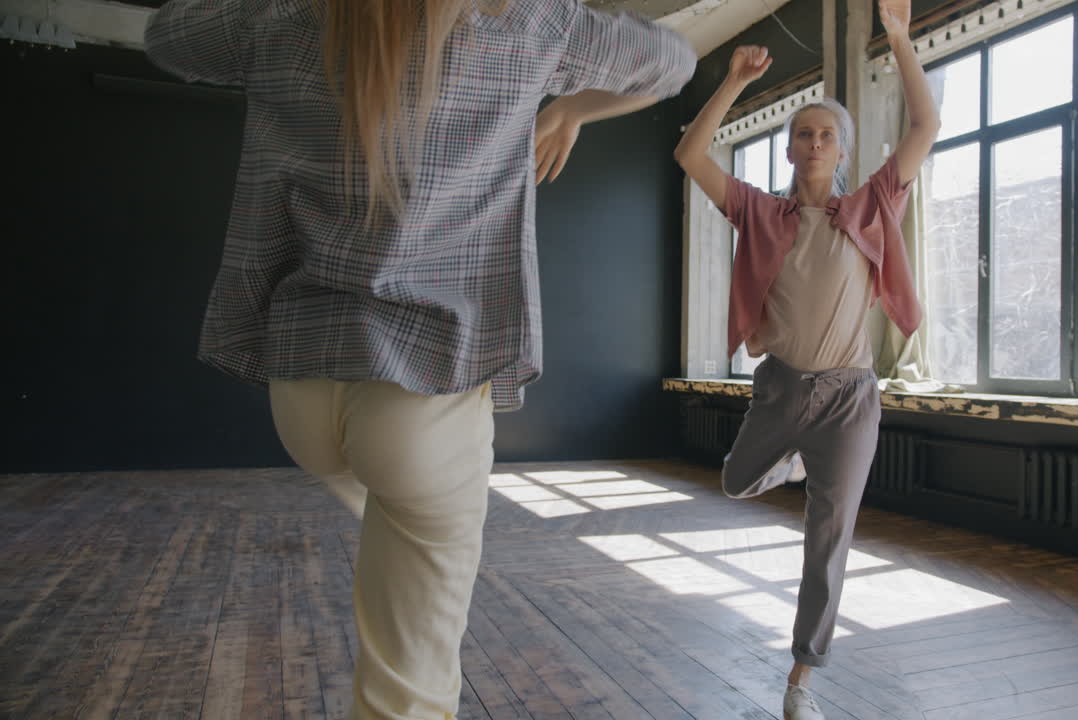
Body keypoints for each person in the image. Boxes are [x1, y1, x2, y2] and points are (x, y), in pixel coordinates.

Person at [143, 0, 695, 717]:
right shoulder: (528, 23)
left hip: (302, 388)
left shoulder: (283, 17)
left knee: (394, 524)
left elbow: (165, 36)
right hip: (426, 393)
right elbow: (675, 62)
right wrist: (572, 110)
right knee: (409, 692)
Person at [672, 0, 938, 717]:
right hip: (782, 388)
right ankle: (786, 460)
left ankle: (802, 678)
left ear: (843, 152)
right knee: (733, 482)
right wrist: (729, 82)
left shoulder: (874, 206)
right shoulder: (761, 212)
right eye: (803, 134)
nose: (815, 143)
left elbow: (925, 127)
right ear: (790, 150)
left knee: (829, 537)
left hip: (851, 398)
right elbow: (690, 155)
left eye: (827, 135)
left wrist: (902, 39)